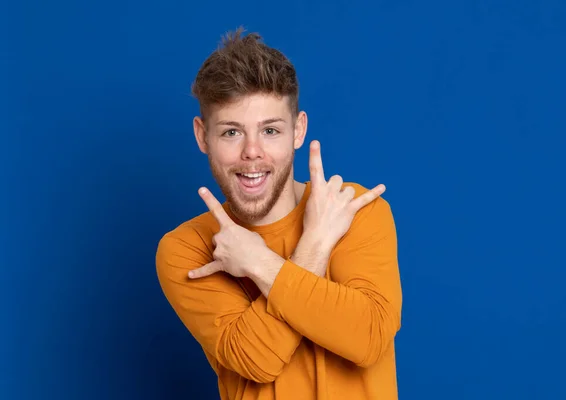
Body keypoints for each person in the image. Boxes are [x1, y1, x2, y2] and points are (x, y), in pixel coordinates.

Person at [155, 27, 403, 399]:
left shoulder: (353, 210)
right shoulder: (186, 249)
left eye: (270, 130)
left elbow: (367, 339)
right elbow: (257, 359)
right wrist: (316, 244)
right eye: (231, 133)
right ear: (202, 136)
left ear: (298, 130)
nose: (252, 152)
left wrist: (258, 262)